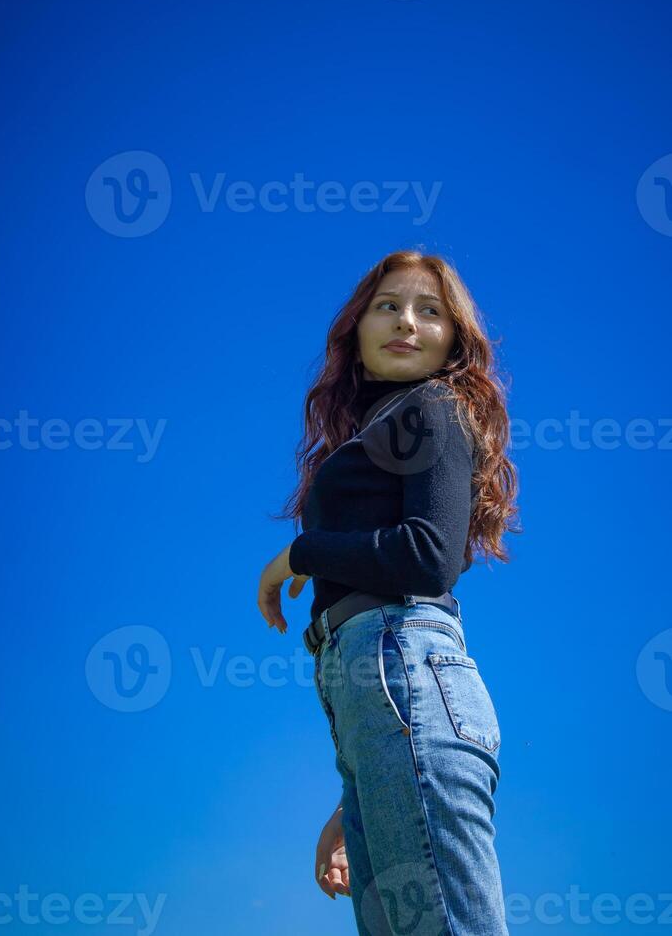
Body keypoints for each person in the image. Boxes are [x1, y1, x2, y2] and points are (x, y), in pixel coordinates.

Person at [258, 249, 520, 935]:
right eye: (388, 305)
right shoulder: (384, 427)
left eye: (429, 311)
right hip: (380, 704)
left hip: (405, 667)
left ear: (452, 339)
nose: (407, 322)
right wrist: (354, 801)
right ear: (356, 329)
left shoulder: (434, 406)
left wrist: (299, 554)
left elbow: (427, 559)